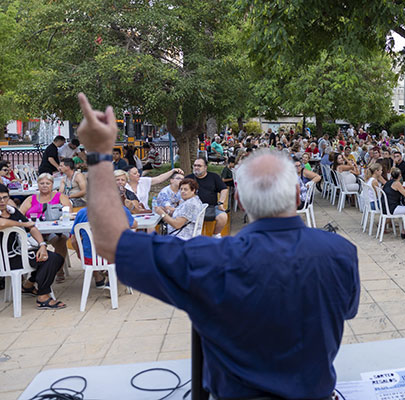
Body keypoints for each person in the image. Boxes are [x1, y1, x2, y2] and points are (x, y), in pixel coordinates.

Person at [76, 93, 359, 399]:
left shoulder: (209, 259)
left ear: (239, 200)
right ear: (296, 194)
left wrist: (99, 155)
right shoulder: (341, 253)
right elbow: (342, 312)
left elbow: (108, 240)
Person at [0, 184, 67, 309]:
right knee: (51, 260)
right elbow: (2, 223)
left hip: (20, 253)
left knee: (56, 258)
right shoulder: (7, 215)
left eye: (5, 197)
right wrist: (23, 224)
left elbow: (32, 227)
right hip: (6, 259)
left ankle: (29, 284)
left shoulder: (11, 211)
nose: (2, 201)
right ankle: (43, 297)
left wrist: (42, 245)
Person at [70, 198, 136, 288]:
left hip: (90, 260)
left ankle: (97, 277)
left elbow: (73, 240)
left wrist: (80, 255)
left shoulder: (82, 212)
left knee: (88, 245)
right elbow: (133, 225)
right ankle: (111, 279)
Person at [19, 173, 71, 281]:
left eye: (48, 183)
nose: (45, 185)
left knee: (61, 240)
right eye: (42, 183)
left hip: (54, 230)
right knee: (29, 244)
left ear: (52, 185)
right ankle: (35, 274)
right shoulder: (31, 199)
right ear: (38, 184)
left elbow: (68, 213)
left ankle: (58, 269)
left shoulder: (60, 197)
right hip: (34, 231)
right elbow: (19, 215)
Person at [186, 157, 228, 238]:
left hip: (211, 207)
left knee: (223, 216)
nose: (196, 167)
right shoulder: (188, 178)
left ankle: (215, 234)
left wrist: (221, 202)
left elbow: (224, 189)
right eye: (194, 165)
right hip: (192, 208)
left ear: (205, 167)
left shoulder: (214, 177)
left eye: (199, 166)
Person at [383, 168, 405, 239]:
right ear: (400, 175)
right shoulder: (397, 183)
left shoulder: (388, 182)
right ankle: (404, 231)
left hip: (385, 207)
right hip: (392, 208)